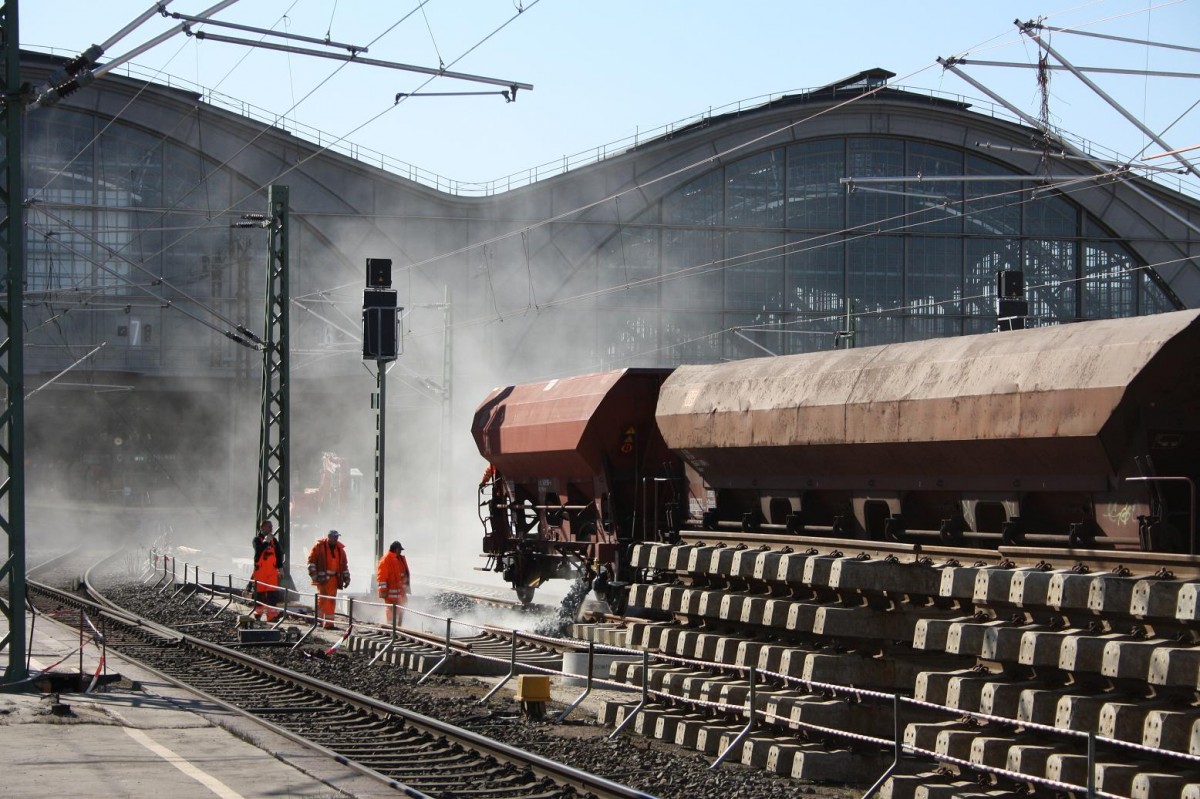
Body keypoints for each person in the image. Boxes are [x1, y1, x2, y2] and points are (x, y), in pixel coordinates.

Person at [307, 529, 350, 629]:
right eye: (334, 537)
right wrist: (314, 575)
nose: (336, 539)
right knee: (322, 600)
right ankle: (319, 620)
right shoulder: (319, 546)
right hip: (322, 579)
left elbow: (344, 566)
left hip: (334, 580)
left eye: (337, 537)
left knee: (331, 601)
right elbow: (311, 561)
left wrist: (347, 578)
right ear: (329, 537)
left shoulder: (340, 550)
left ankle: (329, 623)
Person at [375, 540, 411, 627]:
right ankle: (391, 628)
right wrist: (383, 590)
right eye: (400, 550)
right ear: (396, 549)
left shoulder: (398, 559)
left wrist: (405, 587)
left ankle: (398, 628)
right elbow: (382, 577)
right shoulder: (386, 560)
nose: (401, 552)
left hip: (400, 592)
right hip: (391, 593)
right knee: (391, 610)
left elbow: (403, 575)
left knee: (401, 609)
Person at [250, 526, 282, 622]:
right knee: (260, 594)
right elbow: (258, 551)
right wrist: (265, 541)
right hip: (261, 572)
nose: (271, 529)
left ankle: (271, 616)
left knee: (272, 594)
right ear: (262, 528)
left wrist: (280, 567)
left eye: (271, 527)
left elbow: (278, 554)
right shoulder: (256, 540)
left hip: (272, 571)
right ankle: (258, 614)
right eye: (269, 527)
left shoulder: (274, 541)